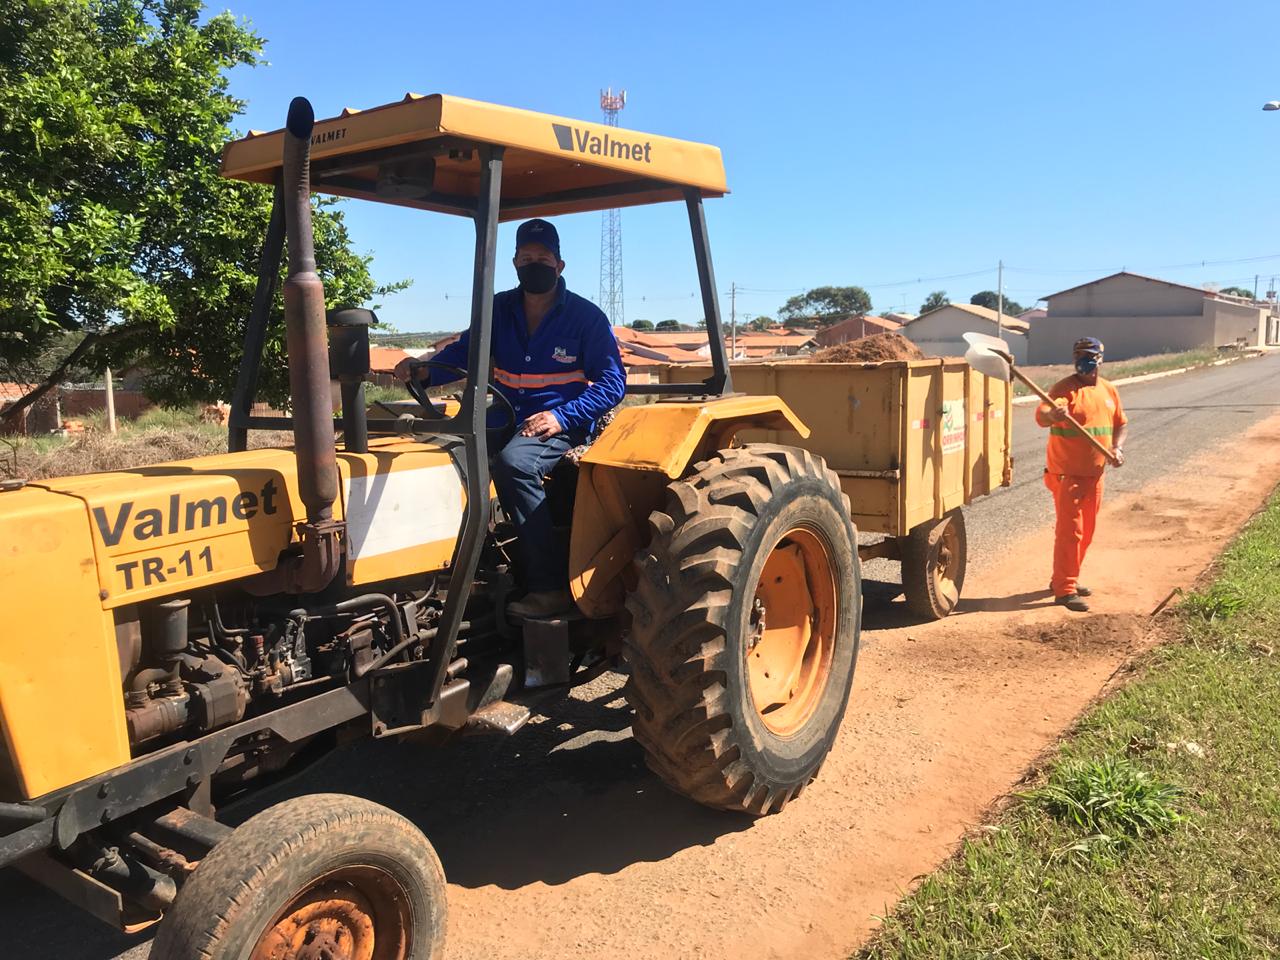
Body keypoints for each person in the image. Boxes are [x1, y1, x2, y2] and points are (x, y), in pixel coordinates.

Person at [396, 219, 626, 619]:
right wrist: (425, 370)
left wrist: (561, 416)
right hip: (506, 411)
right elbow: (467, 355)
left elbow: (612, 384)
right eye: (526, 258)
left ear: (560, 265)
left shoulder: (585, 317)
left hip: (560, 420)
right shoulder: (499, 309)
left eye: (543, 258)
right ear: (515, 262)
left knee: (515, 465)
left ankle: (548, 587)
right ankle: (457, 565)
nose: (533, 264)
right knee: (442, 452)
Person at [1034, 336, 1127, 612]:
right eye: (1078, 356)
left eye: (1088, 355)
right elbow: (1043, 414)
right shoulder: (1065, 389)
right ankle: (1064, 591)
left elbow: (1121, 424)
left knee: (1086, 532)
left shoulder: (1109, 390)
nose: (1083, 361)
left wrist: (1117, 449)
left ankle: (1066, 579)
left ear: (1099, 359)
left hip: (1095, 475)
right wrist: (1054, 414)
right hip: (1067, 475)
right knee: (1070, 532)